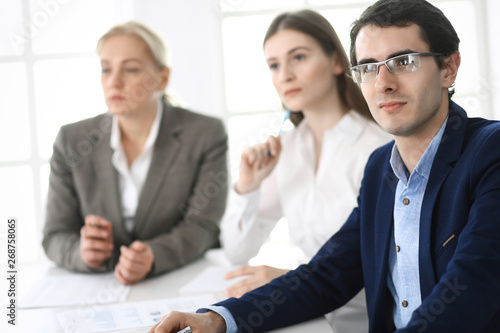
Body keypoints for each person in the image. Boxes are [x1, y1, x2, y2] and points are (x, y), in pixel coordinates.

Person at [148, 0, 500, 332]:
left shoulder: (490, 152)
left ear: (448, 67)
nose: (384, 83)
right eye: (368, 68)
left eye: (404, 61)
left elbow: (471, 288)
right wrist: (220, 319)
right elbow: (329, 273)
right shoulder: (381, 168)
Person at [219, 9, 390, 332]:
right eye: (274, 65)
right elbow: (237, 251)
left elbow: (385, 268)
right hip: (309, 318)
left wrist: (289, 281)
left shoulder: (377, 148)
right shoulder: (286, 150)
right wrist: (248, 186)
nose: (284, 74)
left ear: (337, 62)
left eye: (298, 57)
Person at [42, 21, 228, 285]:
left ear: (162, 78)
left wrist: (154, 255)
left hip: (179, 281)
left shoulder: (206, 133)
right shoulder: (71, 140)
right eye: (106, 69)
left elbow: (204, 226)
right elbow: (55, 234)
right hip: (97, 286)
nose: (114, 82)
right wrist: (81, 252)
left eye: (130, 69)